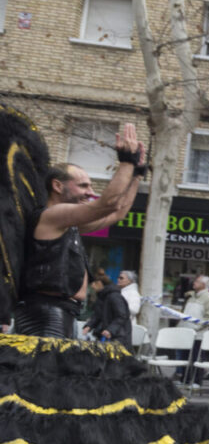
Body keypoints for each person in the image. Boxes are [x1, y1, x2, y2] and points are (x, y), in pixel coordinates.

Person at [14, 123, 145, 337]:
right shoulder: (52, 215)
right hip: (45, 314)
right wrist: (126, 162)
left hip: (61, 312)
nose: (90, 192)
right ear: (57, 186)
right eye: (83, 186)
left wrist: (136, 175)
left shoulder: (68, 223)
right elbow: (108, 203)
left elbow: (117, 213)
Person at [82, 272, 131, 349]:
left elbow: (121, 316)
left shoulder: (114, 297)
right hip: (106, 336)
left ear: (99, 283)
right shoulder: (102, 297)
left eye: (93, 283)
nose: (92, 286)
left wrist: (110, 330)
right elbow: (97, 315)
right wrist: (89, 326)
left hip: (118, 337)